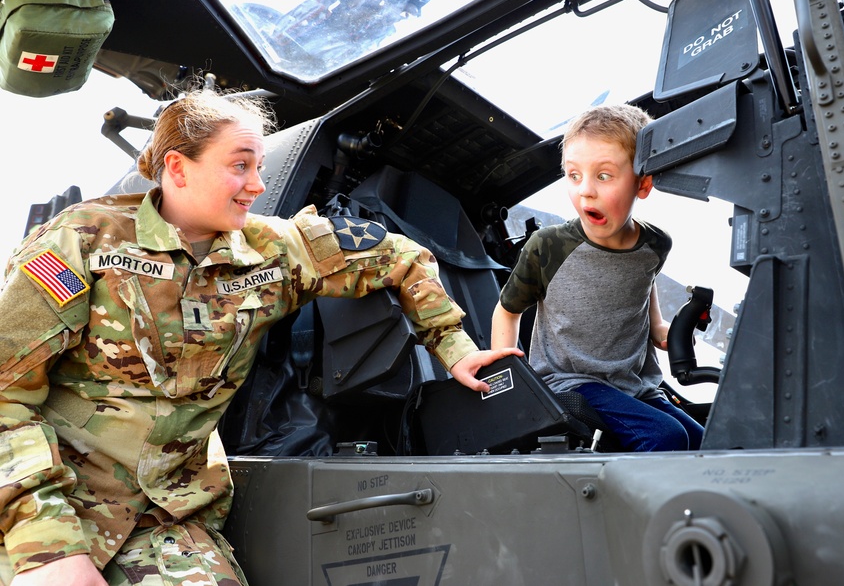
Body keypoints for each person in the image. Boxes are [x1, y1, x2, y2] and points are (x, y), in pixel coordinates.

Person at [0, 87, 520, 586]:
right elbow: (5, 394)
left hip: (167, 515)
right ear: (178, 167)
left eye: (259, 168)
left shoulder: (274, 250)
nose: (256, 185)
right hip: (43, 504)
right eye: (239, 165)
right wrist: (47, 545)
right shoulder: (84, 240)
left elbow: (400, 257)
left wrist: (455, 349)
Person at [491, 103, 703, 452]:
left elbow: (642, 284)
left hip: (634, 386)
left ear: (643, 183)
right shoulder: (549, 246)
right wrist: (511, 388)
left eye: (603, 176)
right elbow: (507, 311)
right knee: (666, 438)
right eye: (574, 175)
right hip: (572, 384)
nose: (585, 190)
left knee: (704, 442)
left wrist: (662, 329)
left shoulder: (655, 245)